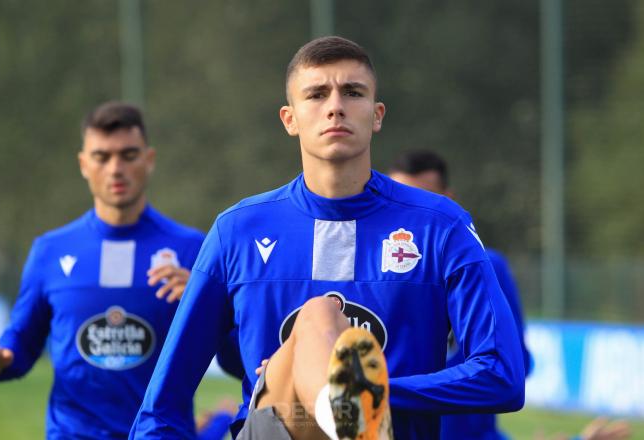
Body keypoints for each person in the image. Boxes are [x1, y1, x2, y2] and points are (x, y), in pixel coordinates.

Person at [131, 36, 525, 440]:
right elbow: (162, 405)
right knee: (318, 315)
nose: (335, 106)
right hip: (278, 429)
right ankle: (348, 410)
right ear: (290, 119)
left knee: (321, 317)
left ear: (377, 115)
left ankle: (350, 413)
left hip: (389, 432)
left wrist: (379, 394)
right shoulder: (237, 231)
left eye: (353, 92)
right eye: (317, 94)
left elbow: (502, 374)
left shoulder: (441, 226)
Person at [0, 102, 207, 439]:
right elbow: (24, 339)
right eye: (102, 157)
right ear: (83, 164)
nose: (115, 169)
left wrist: (204, 302)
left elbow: (234, 352)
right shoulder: (50, 250)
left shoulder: (193, 249)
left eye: (128, 155)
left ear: (149, 160)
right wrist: (1, 359)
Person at [389, 149, 531, 440]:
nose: (414, 213)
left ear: (448, 199)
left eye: (425, 199)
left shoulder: (485, 266)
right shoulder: (374, 273)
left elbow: (514, 363)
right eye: (403, 200)